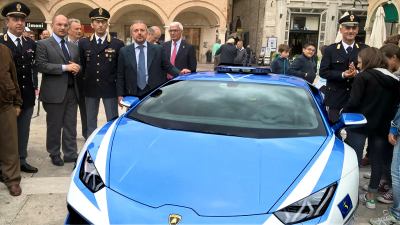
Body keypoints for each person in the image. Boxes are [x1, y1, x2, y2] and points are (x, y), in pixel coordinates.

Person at [342, 47, 399, 209]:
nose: (358, 65)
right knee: (377, 161)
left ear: (367, 60)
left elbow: (354, 102)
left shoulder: (363, 77)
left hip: (359, 124)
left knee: (353, 160)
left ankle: (350, 192)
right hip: (382, 126)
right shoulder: (395, 80)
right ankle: (371, 197)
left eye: (360, 62)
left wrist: (343, 112)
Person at [35, 14, 81, 166]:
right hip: (54, 93)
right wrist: (65, 68)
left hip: (71, 92)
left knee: (70, 124)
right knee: (54, 125)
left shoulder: (73, 46)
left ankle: (70, 153)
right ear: (53, 25)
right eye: (59, 24)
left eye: (65, 25)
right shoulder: (43, 44)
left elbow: (77, 64)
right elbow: (41, 65)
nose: (62, 27)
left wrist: (77, 68)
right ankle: (54, 153)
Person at [0, 1, 38, 173]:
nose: (19, 22)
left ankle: (21, 160)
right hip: (6, 98)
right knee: (6, 134)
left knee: (23, 131)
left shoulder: (30, 44)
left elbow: (33, 69)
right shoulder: (1, 43)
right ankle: (4, 165)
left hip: (27, 95)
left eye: (22, 19)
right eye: (15, 19)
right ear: (7, 21)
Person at [117, 20, 190, 100]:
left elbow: (168, 67)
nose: (139, 33)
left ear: (147, 33)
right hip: (132, 93)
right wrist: (120, 94)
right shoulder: (124, 51)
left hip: (154, 92)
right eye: (136, 30)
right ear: (132, 34)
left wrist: (181, 74)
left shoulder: (158, 49)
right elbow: (120, 75)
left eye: (142, 30)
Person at [79, 8, 124, 137]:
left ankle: (110, 143)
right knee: (90, 121)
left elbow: (119, 70)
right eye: (97, 22)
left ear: (107, 24)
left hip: (109, 88)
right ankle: (91, 145)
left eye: (103, 22)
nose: (100, 25)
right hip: (90, 88)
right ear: (92, 24)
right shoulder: (84, 43)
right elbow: (83, 65)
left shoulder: (117, 43)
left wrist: (120, 91)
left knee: (112, 119)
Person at [319, 13, 367, 123]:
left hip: (357, 98)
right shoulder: (330, 50)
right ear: (341, 30)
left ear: (357, 30)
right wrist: (342, 74)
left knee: (354, 132)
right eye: (347, 28)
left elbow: (370, 71)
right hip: (335, 99)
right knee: (335, 130)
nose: (351, 31)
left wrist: (358, 73)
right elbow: (323, 72)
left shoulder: (365, 49)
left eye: (354, 28)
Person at [0, 43, 22, 196]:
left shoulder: (4, 50)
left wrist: (17, 102)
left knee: (10, 145)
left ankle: (12, 179)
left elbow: (14, 76)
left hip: (5, 103)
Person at [66, 18, 88, 140]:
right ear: (69, 30)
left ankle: (86, 134)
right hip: (67, 84)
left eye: (80, 29)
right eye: (76, 29)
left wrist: (80, 68)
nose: (79, 31)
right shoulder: (62, 44)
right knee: (70, 114)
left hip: (83, 84)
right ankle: (70, 136)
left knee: (85, 112)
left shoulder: (85, 43)